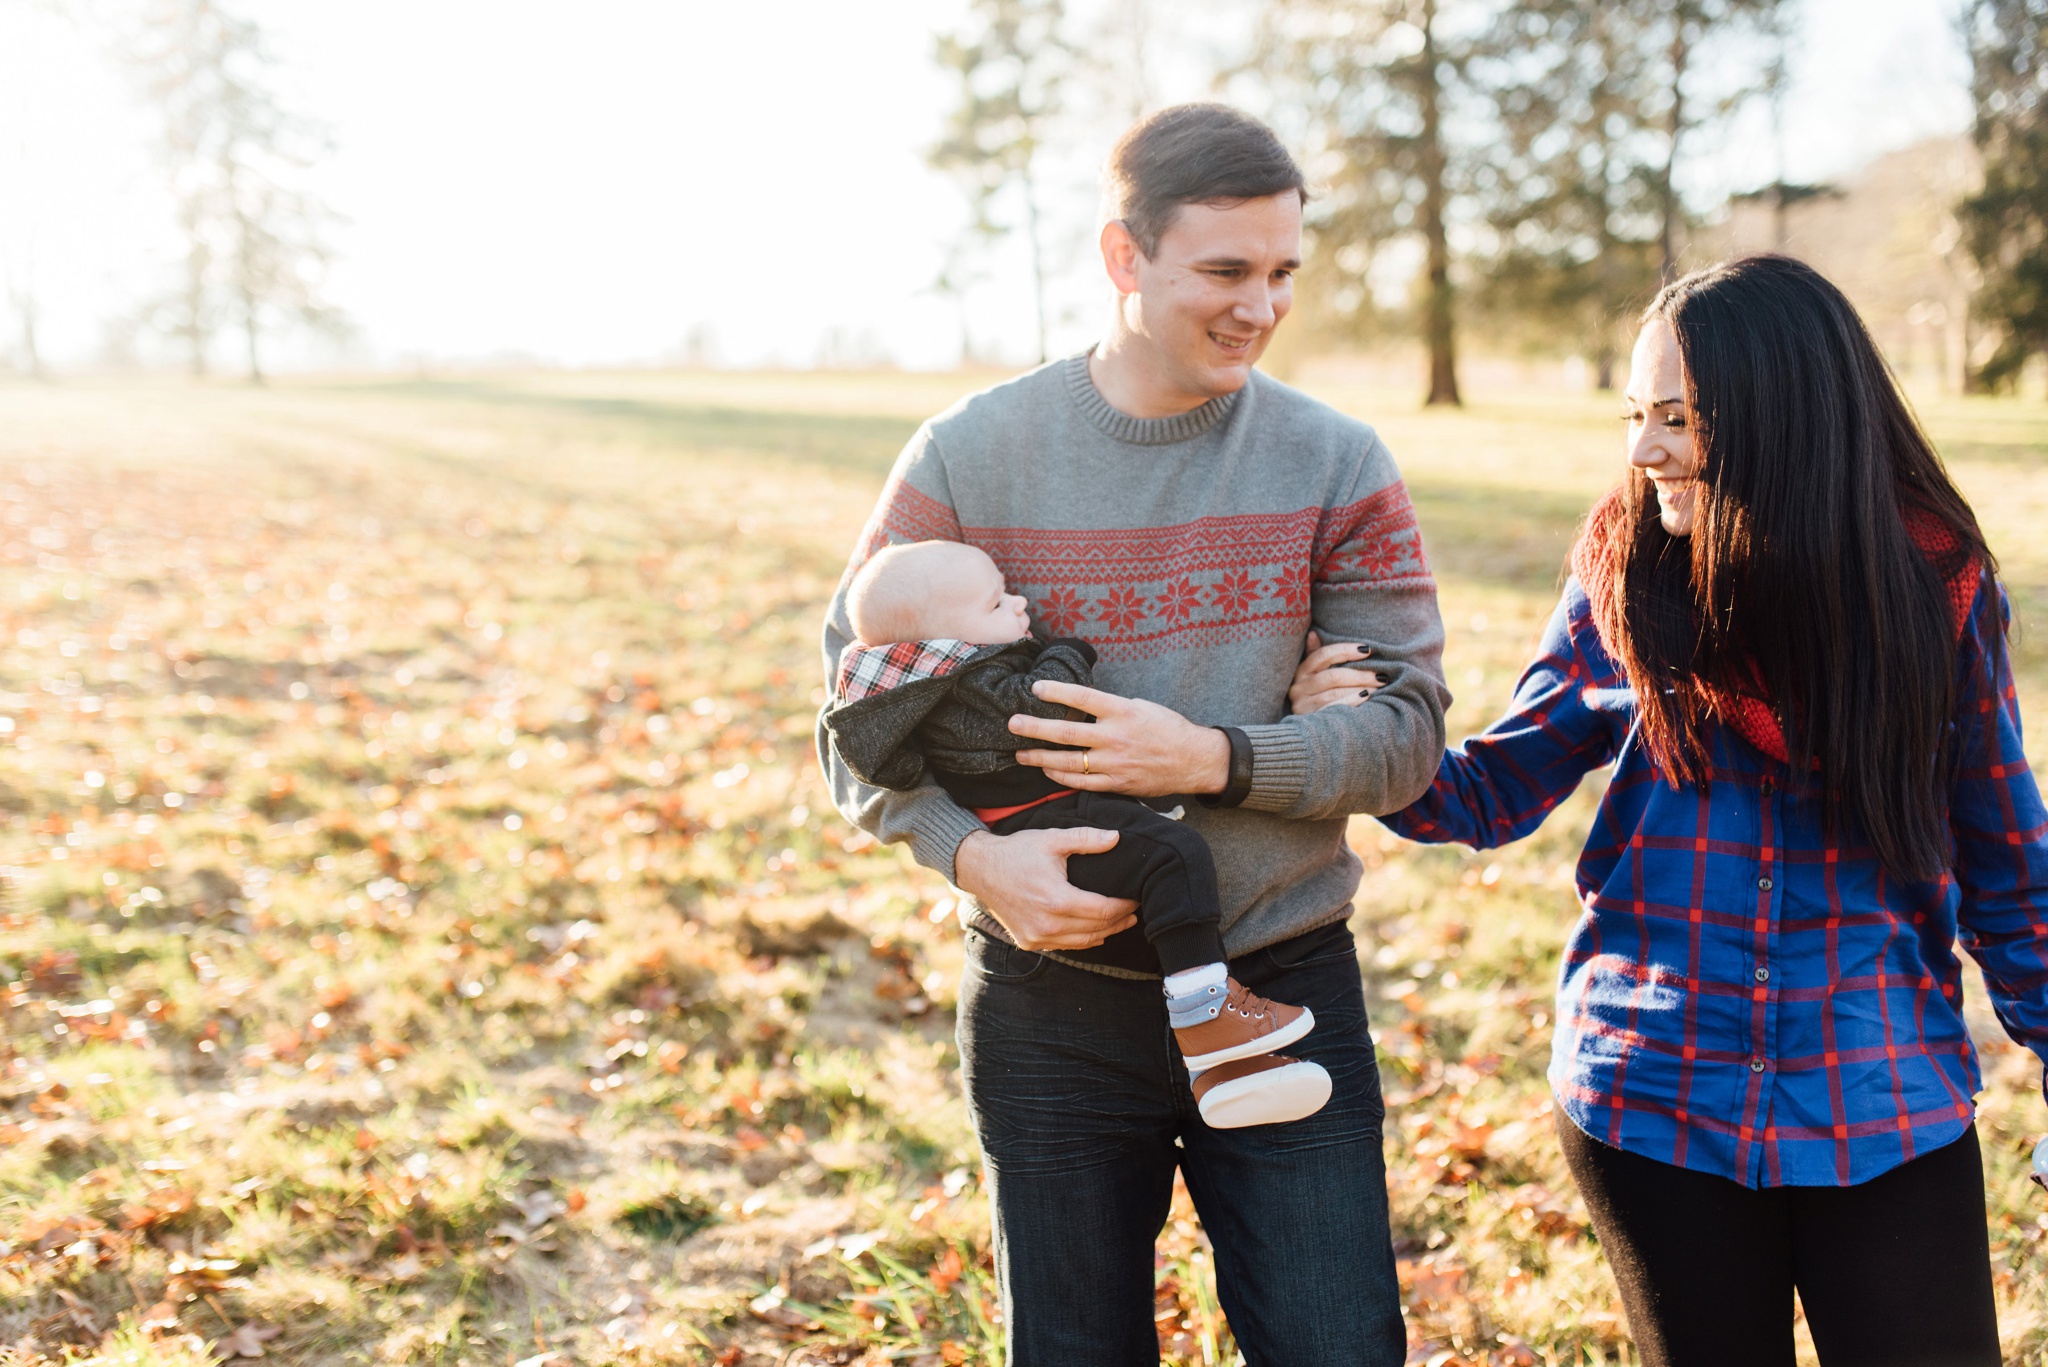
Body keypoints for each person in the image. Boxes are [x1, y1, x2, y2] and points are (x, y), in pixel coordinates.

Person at [1292, 254, 2048, 1367]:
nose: (1640, 450)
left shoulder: (1929, 584)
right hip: (1651, 1095)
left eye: (1678, 418)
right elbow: (1496, 785)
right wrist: (1358, 733)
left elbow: (2004, 856)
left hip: (1878, 1099)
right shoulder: (1620, 569)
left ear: (1781, 420)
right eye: (1632, 415)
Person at [816, 103, 1449, 1365]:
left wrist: (1213, 756)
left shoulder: (1336, 462)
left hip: (1281, 978)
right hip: (1050, 999)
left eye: (1281, 273)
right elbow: (848, 725)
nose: (1259, 307)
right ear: (1123, 256)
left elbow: (1406, 737)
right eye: (1224, 270)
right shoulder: (970, 456)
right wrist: (968, 853)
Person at [821, 539, 1334, 1129]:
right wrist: (1067, 651)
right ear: (941, 645)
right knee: (1174, 857)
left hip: (1048, 820)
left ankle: (1221, 1073)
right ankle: (1208, 1015)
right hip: (1042, 835)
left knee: (1156, 891)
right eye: (996, 606)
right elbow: (1048, 708)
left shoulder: (922, 690)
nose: (1019, 605)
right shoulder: (972, 686)